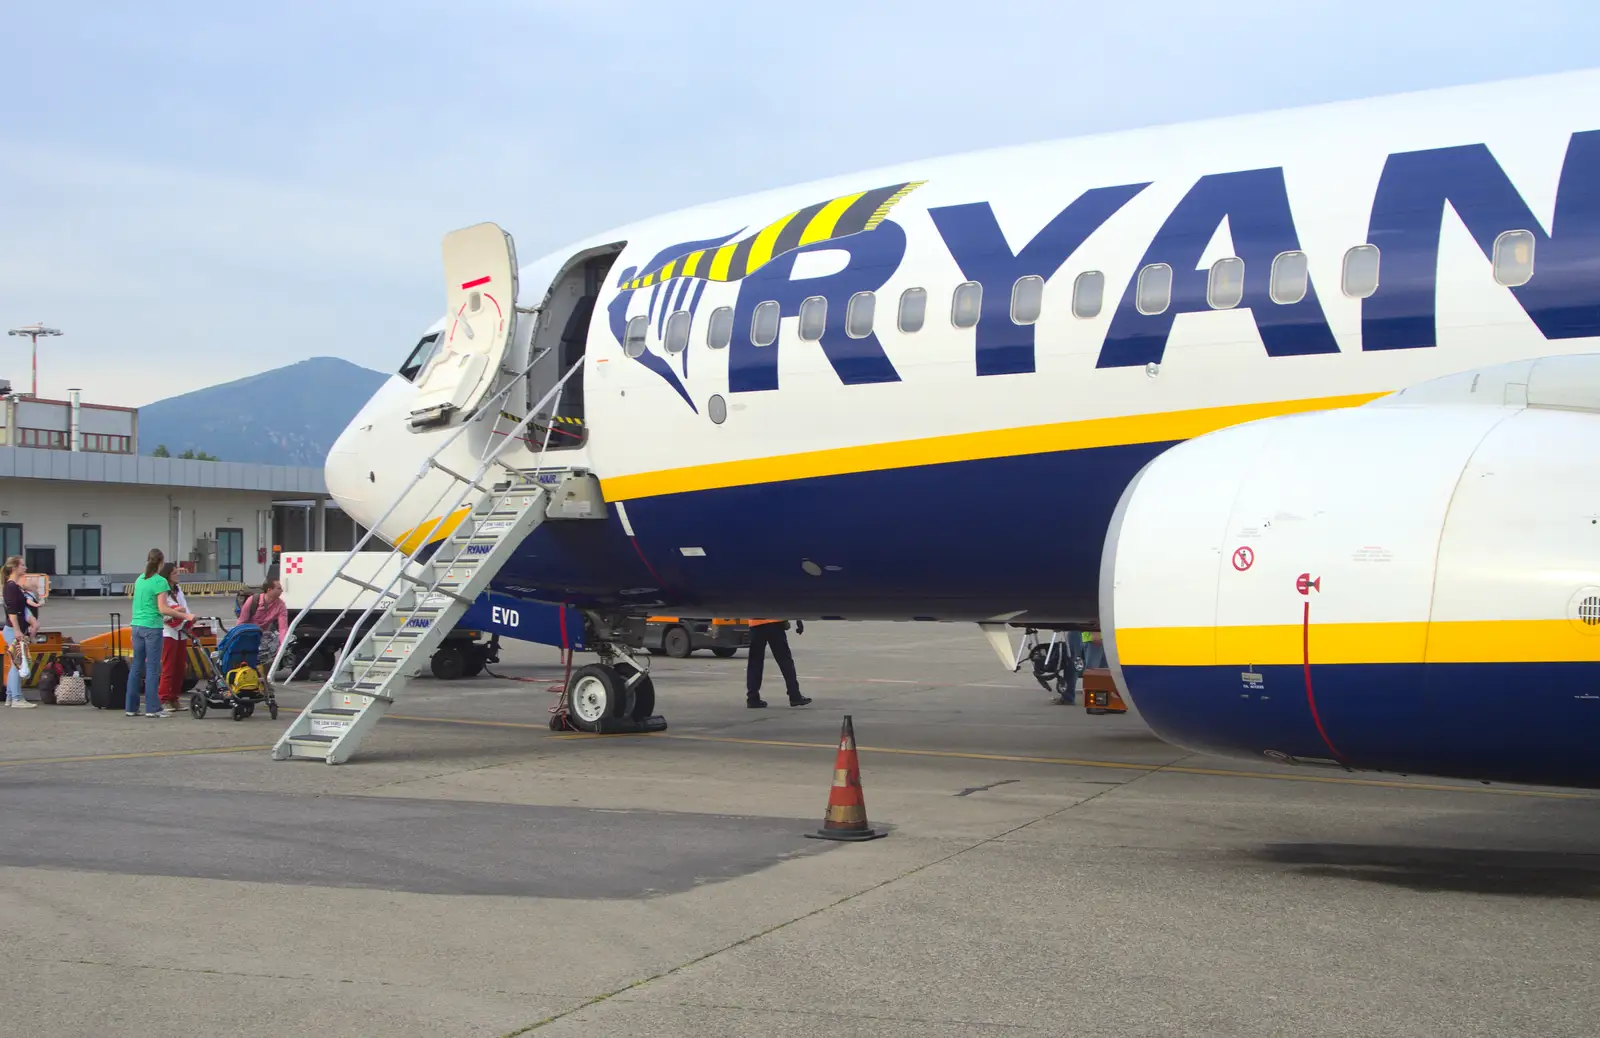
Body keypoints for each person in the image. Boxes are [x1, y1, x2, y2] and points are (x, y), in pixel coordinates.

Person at [127, 548, 192, 717]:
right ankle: (153, 708)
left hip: (136, 626)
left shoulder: (140, 579)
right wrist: (185, 615)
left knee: (136, 668)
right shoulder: (159, 582)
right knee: (153, 668)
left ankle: (131, 707)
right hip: (152, 627)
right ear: (161, 563)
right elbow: (163, 608)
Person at [744, 618, 811, 709]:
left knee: (755, 662)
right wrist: (798, 620)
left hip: (756, 624)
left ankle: (752, 698)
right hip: (774, 623)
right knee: (785, 661)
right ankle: (794, 695)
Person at [157, 562, 193, 715]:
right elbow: (164, 613)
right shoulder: (163, 592)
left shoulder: (178, 591)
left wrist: (188, 617)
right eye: (174, 573)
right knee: (168, 667)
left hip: (181, 631)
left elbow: (185, 609)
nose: (177, 575)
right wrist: (179, 612)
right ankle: (164, 698)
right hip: (168, 632)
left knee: (180, 667)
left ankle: (174, 697)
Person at [2, 556, 38, 709]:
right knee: (19, 664)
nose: (25, 568)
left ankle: (11, 697)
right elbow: (12, 611)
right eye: (22, 565)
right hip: (13, 630)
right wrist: (18, 630)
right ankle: (17, 698)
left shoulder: (15, 587)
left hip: (14, 630)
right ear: (14, 568)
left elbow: (22, 610)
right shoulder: (11, 587)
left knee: (14, 664)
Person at [238, 578, 289, 663]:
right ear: (269, 590)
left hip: (262, 635)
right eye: (279, 588)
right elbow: (241, 622)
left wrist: (282, 645)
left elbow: (283, 628)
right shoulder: (252, 600)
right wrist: (240, 640)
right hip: (247, 633)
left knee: (266, 659)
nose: (282, 590)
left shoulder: (281, 605)